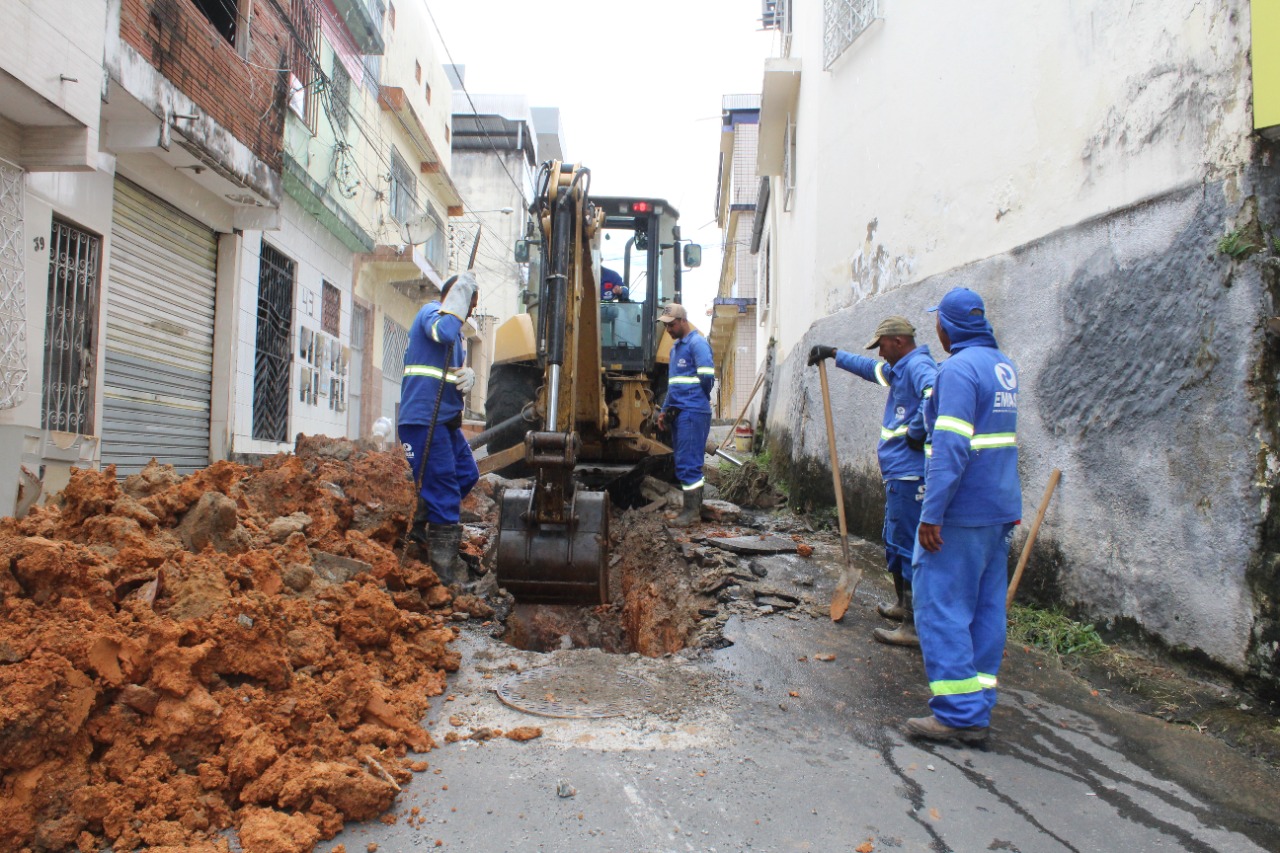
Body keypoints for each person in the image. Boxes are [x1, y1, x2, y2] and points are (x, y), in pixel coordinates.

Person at [906, 287, 1021, 744]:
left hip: (960, 512)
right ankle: (978, 703)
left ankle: (957, 713)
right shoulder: (1003, 366)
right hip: (998, 510)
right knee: (986, 610)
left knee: (941, 605)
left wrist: (932, 514)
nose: (937, 328)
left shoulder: (956, 370)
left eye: (939, 322)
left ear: (947, 327)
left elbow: (951, 447)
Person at [807, 316, 937, 647]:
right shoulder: (899, 368)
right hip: (897, 472)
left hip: (911, 474)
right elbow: (872, 371)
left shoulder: (919, 365)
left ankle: (914, 626)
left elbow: (935, 392)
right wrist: (834, 353)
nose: (879, 353)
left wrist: (917, 431)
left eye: (881, 345)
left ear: (897, 341)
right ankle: (901, 605)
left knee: (907, 546)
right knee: (894, 540)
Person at [398, 272, 481, 587]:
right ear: (454, 297)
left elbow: (446, 367)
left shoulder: (457, 335)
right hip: (423, 421)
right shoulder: (431, 313)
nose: (469, 312)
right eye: (467, 304)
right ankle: (442, 580)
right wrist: (458, 297)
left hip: (445, 422)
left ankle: (423, 520)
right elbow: (444, 329)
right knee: (445, 491)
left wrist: (466, 375)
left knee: (466, 474)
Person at [656, 302, 714, 527]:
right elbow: (673, 386)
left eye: (671, 325)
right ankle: (691, 509)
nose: (668, 330)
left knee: (690, 463)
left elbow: (707, 376)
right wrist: (664, 411)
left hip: (692, 412)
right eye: (666, 326)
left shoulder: (697, 343)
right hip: (679, 412)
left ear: (682, 321)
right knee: (682, 461)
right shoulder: (675, 349)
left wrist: (697, 398)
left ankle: (691, 513)